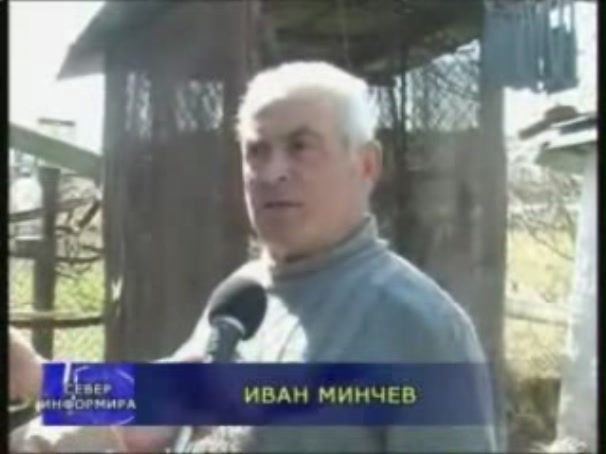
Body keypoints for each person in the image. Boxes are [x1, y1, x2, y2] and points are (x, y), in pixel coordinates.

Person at [9, 61, 499, 452]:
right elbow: (167, 395)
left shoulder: (419, 328)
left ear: (366, 164)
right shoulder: (245, 297)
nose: (272, 172)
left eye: (301, 147)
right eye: (256, 152)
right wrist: (37, 375)